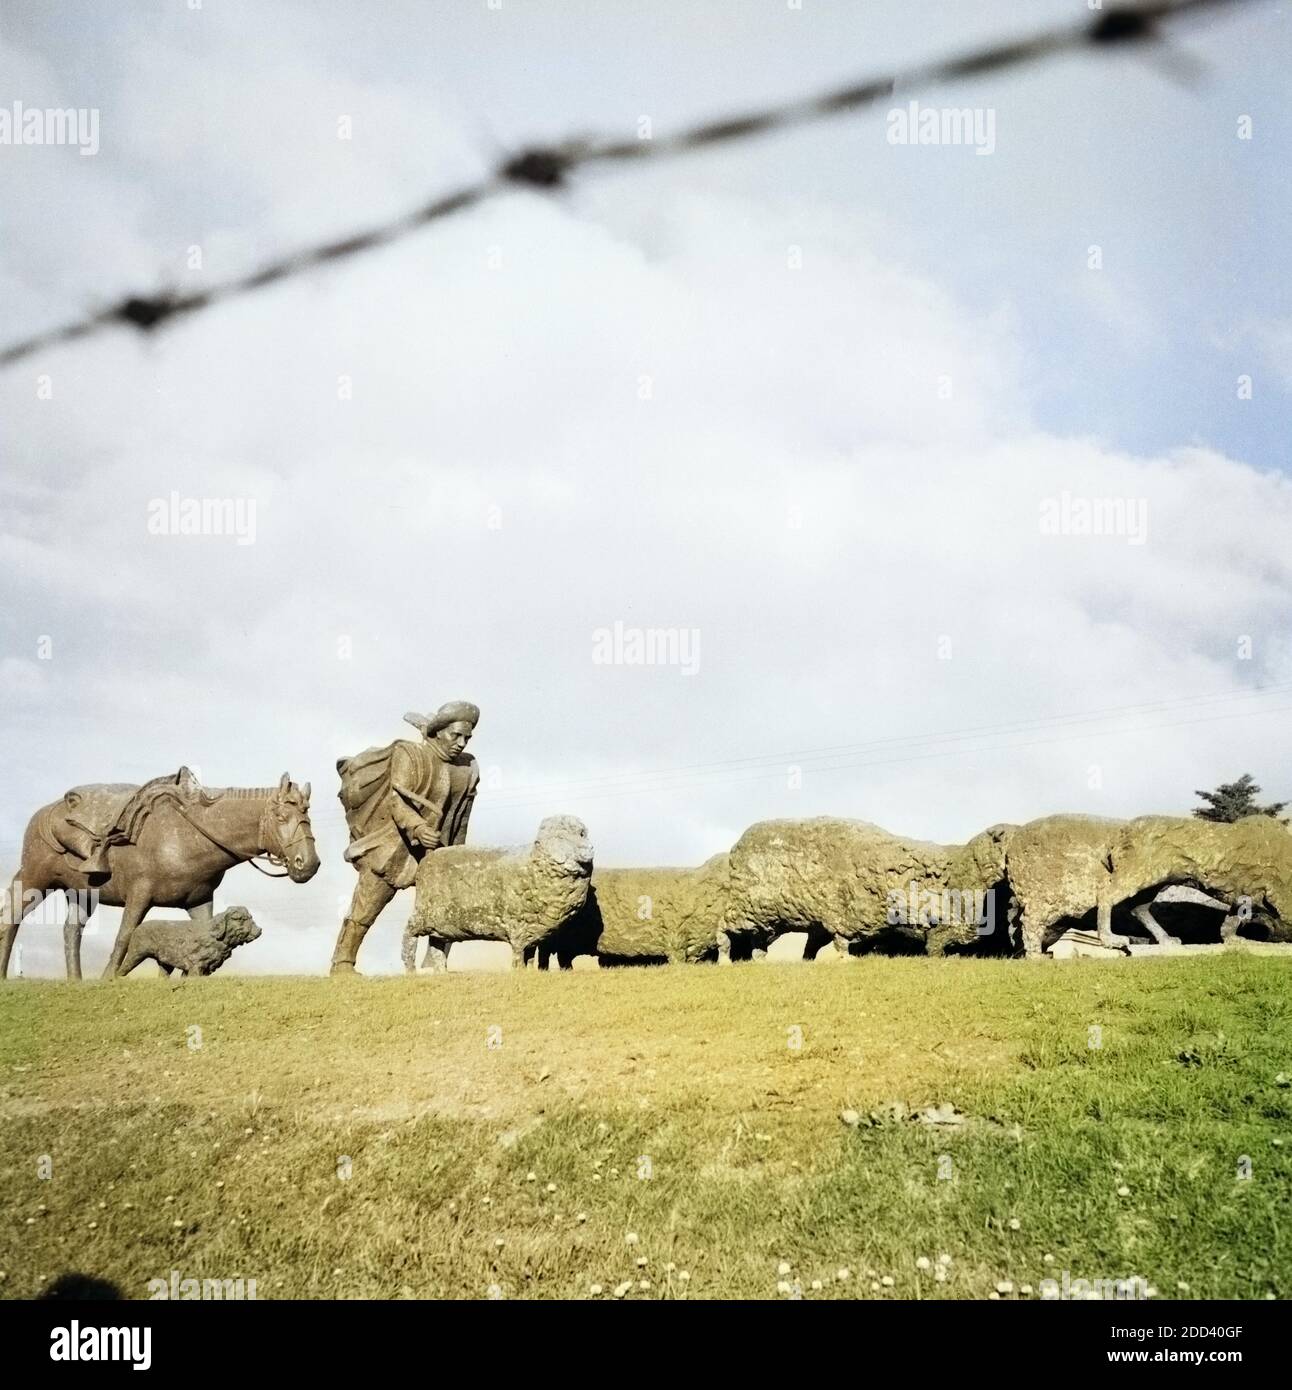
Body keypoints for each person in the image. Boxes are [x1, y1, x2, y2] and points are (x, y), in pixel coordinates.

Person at [330, 701, 480, 975]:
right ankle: (343, 962)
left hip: (441, 850)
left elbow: (462, 817)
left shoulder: (468, 770)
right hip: (396, 846)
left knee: (445, 906)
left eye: (467, 737)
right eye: (455, 735)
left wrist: (458, 854)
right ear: (437, 732)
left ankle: (434, 961)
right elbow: (397, 801)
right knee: (367, 905)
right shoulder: (409, 754)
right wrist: (418, 828)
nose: (461, 743)